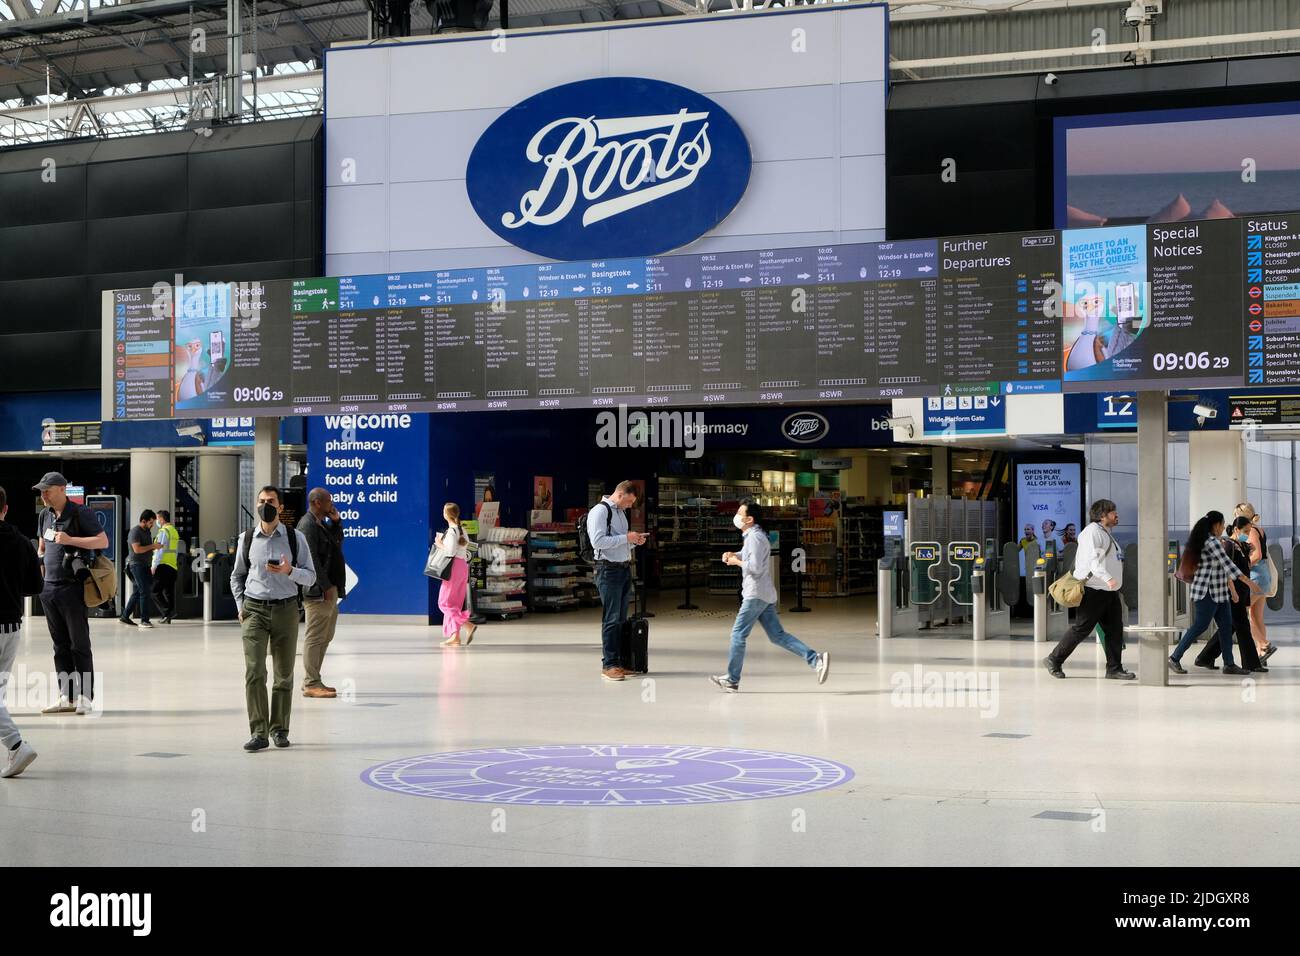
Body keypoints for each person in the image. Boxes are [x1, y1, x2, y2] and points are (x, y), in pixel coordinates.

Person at [710, 499, 829, 692]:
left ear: (749, 519)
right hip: (763, 595)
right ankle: (816, 660)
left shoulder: (755, 537)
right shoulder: (753, 536)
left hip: (755, 594)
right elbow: (750, 555)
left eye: (740, 513)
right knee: (777, 636)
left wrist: (735, 562)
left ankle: (732, 679)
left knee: (738, 634)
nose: (737, 517)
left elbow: (755, 568)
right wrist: (735, 554)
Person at [231, 486, 315, 751]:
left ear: (280, 507)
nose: (265, 505)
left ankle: (279, 729)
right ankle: (258, 732)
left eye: (271, 501)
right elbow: (237, 575)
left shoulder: (294, 538)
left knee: (283, 675)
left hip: (286, 610)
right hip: (254, 609)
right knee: (255, 671)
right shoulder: (246, 539)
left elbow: (311, 577)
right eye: (261, 501)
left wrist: (290, 571)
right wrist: (240, 605)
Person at [34, 472, 108, 716]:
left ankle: (86, 697)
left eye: (48, 490)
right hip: (49, 588)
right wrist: (42, 567)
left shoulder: (80, 513)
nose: (43, 495)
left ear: (62, 489)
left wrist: (71, 539)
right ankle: (66, 696)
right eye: (42, 491)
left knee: (79, 644)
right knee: (60, 646)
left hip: (72, 587)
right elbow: (42, 545)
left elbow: (102, 541)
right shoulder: (44, 515)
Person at [1043, 498, 1135, 680]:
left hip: (1108, 592)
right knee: (1081, 628)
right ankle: (1054, 659)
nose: (1117, 515)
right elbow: (1094, 562)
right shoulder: (1091, 533)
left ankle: (1114, 668)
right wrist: (1109, 579)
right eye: (1112, 512)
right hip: (1094, 590)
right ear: (1102, 516)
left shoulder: (1105, 532)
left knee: (1115, 630)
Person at [1168, 511, 1261, 676]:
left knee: (1226, 627)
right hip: (1207, 593)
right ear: (1216, 525)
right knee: (1200, 626)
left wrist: (1232, 591)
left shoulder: (1214, 541)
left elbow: (1221, 569)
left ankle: (1229, 664)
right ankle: (1174, 657)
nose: (1224, 527)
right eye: (1222, 524)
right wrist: (1250, 582)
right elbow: (1228, 566)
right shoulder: (1212, 543)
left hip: (1220, 593)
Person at [0, 487, 43, 778]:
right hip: (11, 627)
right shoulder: (22, 542)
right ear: (5, 509)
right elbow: (35, 587)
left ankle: (16, 745)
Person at [588, 480, 647, 682]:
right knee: (611, 618)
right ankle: (609, 664)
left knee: (621, 618)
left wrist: (633, 542)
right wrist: (626, 538)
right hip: (608, 570)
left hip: (623, 568)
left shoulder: (620, 513)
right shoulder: (600, 511)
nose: (630, 506)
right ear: (620, 494)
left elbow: (620, 541)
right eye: (629, 501)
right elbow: (597, 542)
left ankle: (620, 662)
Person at [1193, 518, 1265, 673]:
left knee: (1230, 626)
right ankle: (1252, 663)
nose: (1247, 534)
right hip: (1233, 593)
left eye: (1248, 531)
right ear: (1236, 530)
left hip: (1241, 592)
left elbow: (1244, 565)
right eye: (1245, 531)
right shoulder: (1228, 545)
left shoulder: (1239, 546)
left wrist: (1249, 551)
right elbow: (1226, 570)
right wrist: (1232, 591)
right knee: (1242, 626)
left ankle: (1204, 657)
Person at [297, 488, 347, 697]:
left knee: (326, 635)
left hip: (329, 589)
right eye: (329, 501)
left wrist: (336, 522)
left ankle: (315, 678)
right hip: (318, 591)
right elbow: (311, 561)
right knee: (315, 636)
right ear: (317, 502)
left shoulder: (320, 523)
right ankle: (310, 682)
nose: (332, 504)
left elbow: (336, 544)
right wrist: (325, 586)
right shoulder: (307, 525)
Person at [1233, 503, 1276, 663]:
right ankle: (1261, 654)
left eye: (1236, 516)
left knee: (1243, 615)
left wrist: (1243, 565)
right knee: (1256, 616)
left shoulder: (1250, 531)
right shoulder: (1259, 529)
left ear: (1241, 516)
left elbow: (1257, 555)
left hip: (1256, 576)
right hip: (1263, 576)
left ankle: (1264, 645)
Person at [436, 502, 476, 647]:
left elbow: (450, 552)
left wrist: (439, 544)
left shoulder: (452, 531)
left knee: (444, 602)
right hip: (462, 567)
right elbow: (463, 549)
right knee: (455, 604)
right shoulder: (462, 530)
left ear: (447, 514)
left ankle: (468, 625)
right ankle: (455, 636)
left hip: (453, 568)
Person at [119, 509, 162, 628]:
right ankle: (144, 620)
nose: (152, 525)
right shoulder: (135, 532)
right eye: (151, 522)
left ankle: (125, 616)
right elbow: (137, 550)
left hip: (145, 565)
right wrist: (153, 546)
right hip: (136, 565)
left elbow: (146, 548)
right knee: (144, 591)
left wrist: (154, 547)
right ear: (144, 521)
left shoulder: (147, 532)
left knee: (139, 591)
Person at [151, 510, 180, 623]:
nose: (157, 521)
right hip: (172, 565)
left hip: (163, 565)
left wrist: (154, 565)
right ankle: (168, 615)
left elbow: (159, 549)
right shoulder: (174, 531)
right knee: (169, 592)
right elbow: (175, 550)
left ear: (162, 519)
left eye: (157, 519)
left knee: (154, 591)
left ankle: (167, 611)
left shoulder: (163, 532)